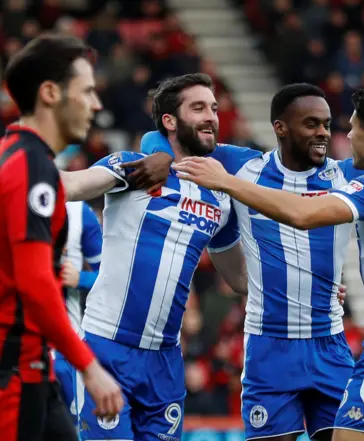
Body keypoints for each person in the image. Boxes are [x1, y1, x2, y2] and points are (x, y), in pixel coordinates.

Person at [139, 83, 364, 441]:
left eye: (329, 124)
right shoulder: (242, 166)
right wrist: (158, 155)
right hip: (269, 347)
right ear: (280, 128)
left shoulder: (348, 176)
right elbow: (157, 141)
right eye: (312, 123)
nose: (324, 134)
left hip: (329, 347)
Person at [0, 34, 123, 441]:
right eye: (87, 91)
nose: (96, 105)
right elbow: (35, 282)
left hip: (19, 363)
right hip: (6, 369)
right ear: (50, 93)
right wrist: (89, 367)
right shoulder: (31, 167)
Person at [61, 73, 247, 441]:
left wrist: (308, 290)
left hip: (164, 361)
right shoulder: (135, 168)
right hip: (106, 349)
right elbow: (73, 185)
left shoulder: (221, 197)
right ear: (170, 121)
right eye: (198, 108)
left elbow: (241, 280)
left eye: (213, 107)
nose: (211, 115)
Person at [54, 201, 103, 420]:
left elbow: (112, 278)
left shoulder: (79, 212)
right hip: (20, 347)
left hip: (66, 351)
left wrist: (79, 278)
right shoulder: (8, 203)